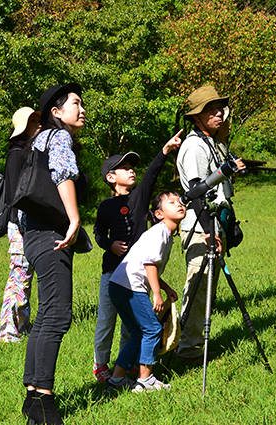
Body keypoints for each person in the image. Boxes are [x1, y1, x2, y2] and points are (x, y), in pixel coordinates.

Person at [92, 131, 182, 383]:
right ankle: (101, 366)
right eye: (125, 168)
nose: (132, 171)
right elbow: (98, 233)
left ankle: (128, 365)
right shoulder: (105, 206)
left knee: (131, 327)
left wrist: (164, 151)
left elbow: (151, 175)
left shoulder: (139, 199)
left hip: (138, 274)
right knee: (106, 320)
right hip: (113, 271)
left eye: (132, 167)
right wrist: (110, 245)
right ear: (111, 177)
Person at [21, 84, 85, 425]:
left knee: (46, 314)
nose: (83, 108)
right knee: (58, 314)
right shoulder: (57, 138)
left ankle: (33, 396)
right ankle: (44, 400)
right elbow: (62, 174)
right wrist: (74, 219)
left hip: (34, 234)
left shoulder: (36, 142)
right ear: (56, 112)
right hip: (52, 235)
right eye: (76, 103)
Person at [175, 86, 245, 362]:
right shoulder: (194, 146)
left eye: (219, 108)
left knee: (207, 289)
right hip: (200, 227)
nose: (218, 113)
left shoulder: (211, 142)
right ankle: (186, 349)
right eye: (210, 109)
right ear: (196, 116)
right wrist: (208, 232)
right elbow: (195, 193)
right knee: (198, 288)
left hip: (212, 225)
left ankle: (192, 346)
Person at [105, 190, 184, 393]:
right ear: (159, 214)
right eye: (172, 202)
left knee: (139, 333)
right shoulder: (159, 233)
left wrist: (165, 288)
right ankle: (145, 379)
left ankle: (116, 380)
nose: (179, 204)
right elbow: (149, 264)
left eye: (180, 201)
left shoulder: (165, 234)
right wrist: (156, 293)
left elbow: (150, 267)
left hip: (118, 286)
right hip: (130, 287)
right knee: (152, 329)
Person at [0, 107, 40, 343]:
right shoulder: (16, 154)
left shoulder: (30, 153)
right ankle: (7, 331)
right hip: (19, 224)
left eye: (38, 120)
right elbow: (15, 195)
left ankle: (22, 326)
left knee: (26, 277)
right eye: (33, 121)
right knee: (18, 277)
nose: (38, 124)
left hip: (29, 224)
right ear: (23, 126)